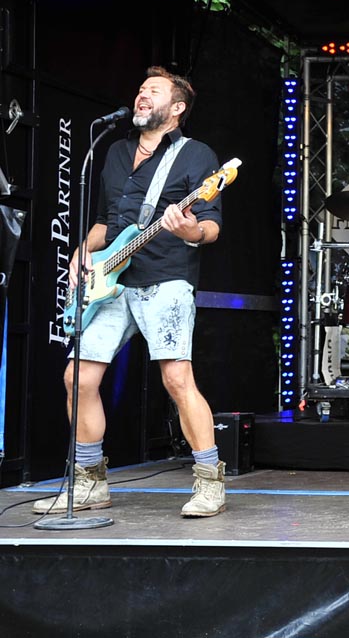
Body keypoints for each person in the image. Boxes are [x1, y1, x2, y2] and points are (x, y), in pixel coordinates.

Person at [35, 67, 228, 518]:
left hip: (166, 276)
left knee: (177, 380)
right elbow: (110, 221)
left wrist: (191, 229)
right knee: (77, 378)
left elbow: (213, 226)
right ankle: (88, 483)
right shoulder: (117, 152)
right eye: (140, 90)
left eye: (153, 92)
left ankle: (209, 482)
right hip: (112, 281)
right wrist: (82, 251)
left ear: (176, 109)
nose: (141, 97)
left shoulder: (196, 156)